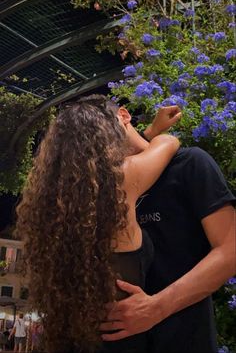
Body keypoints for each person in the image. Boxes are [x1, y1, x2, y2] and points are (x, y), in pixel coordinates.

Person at [15, 94, 181, 353]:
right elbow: (169, 142)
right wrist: (152, 131)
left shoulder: (59, 211)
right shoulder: (122, 180)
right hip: (122, 343)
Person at [101, 105, 236, 353]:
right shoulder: (102, 188)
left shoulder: (188, 164)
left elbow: (230, 251)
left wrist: (156, 308)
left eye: (97, 127)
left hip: (185, 339)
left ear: (123, 115)